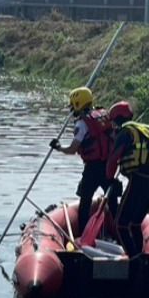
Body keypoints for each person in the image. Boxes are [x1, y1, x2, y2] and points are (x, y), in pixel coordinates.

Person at [50, 87, 114, 234]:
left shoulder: (82, 124)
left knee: (85, 201)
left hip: (92, 168)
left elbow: (73, 149)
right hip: (109, 166)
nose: (71, 109)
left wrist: (58, 147)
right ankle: (118, 232)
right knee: (113, 201)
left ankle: (83, 234)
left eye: (72, 106)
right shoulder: (103, 115)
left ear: (78, 104)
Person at [104, 101, 149, 259]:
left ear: (116, 120)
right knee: (135, 223)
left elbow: (113, 160)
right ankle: (140, 256)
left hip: (138, 182)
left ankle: (134, 259)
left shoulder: (125, 133)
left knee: (121, 224)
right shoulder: (144, 131)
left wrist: (110, 179)